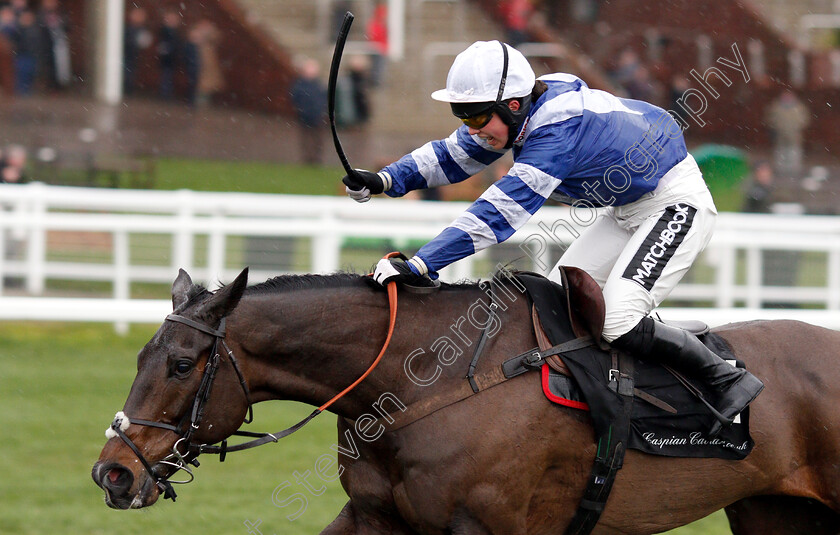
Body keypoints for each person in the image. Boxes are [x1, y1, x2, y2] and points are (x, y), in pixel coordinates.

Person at [342, 40, 763, 436]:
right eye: (462, 115)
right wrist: (383, 179)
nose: (470, 129)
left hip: (676, 206)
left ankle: (725, 378)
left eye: (474, 117)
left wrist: (421, 264)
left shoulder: (556, 130)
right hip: (628, 209)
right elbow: (450, 156)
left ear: (511, 105)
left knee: (615, 320)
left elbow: (499, 214)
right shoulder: (520, 115)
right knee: (558, 303)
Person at [289, 58, 327, 165]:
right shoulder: (299, 84)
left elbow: (324, 98)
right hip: (304, 115)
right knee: (306, 137)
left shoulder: (319, 84)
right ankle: (307, 158)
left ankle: (316, 158)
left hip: (317, 115)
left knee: (317, 138)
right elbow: (295, 98)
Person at [765, 90, 810, 177]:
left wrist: (796, 127)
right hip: (780, 134)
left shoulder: (799, 108)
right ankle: (780, 169)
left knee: (794, 151)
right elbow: (770, 118)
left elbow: (804, 119)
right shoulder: (776, 107)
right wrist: (777, 127)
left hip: (794, 134)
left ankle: (793, 170)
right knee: (780, 151)